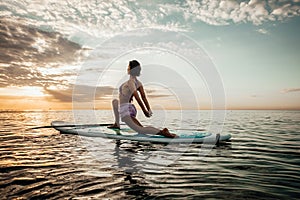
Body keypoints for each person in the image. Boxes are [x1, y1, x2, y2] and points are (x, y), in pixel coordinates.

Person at [108, 60, 177, 138]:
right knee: (115, 101)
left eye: (128, 66)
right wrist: (149, 109)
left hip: (125, 109)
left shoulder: (131, 82)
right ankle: (117, 124)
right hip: (128, 107)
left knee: (141, 130)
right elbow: (144, 97)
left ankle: (163, 132)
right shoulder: (138, 83)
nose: (127, 68)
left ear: (130, 69)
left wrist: (145, 111)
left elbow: (137, 97)